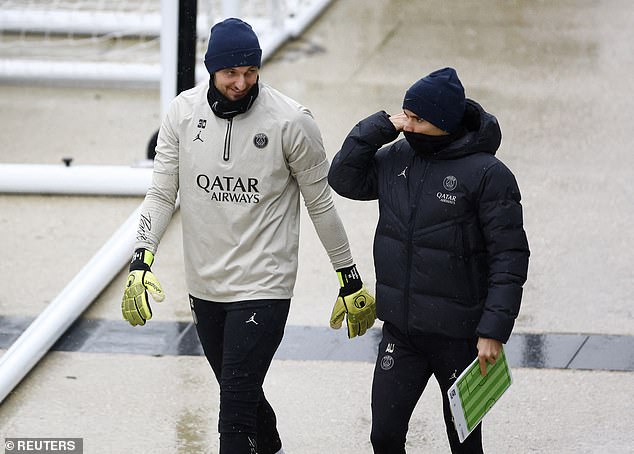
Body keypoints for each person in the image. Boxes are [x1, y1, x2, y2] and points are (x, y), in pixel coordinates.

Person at [120, 18, 376, 454]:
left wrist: (348, 276)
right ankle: (270, 443)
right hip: (204, 282)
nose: (242, 83)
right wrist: (141, 260)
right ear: (211, 71)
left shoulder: (291, 121)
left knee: (232, 414)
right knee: (240, 389)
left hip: (264, 282)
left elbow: (321, 203)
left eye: (251, 72)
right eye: (231, 74)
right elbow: (162, 194)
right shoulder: (182, 113)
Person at [328, 67, 530, 453]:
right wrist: (380, 126)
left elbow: (510, 257)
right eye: (405, 114)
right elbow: (343, 177)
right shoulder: (395, 157)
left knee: (464, 443)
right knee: (384, 436)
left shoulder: (488, 175)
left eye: (417, 119)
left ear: (443, 122)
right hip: (402, 332)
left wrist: (493, 330)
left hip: (460, 337)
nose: (407, 125)